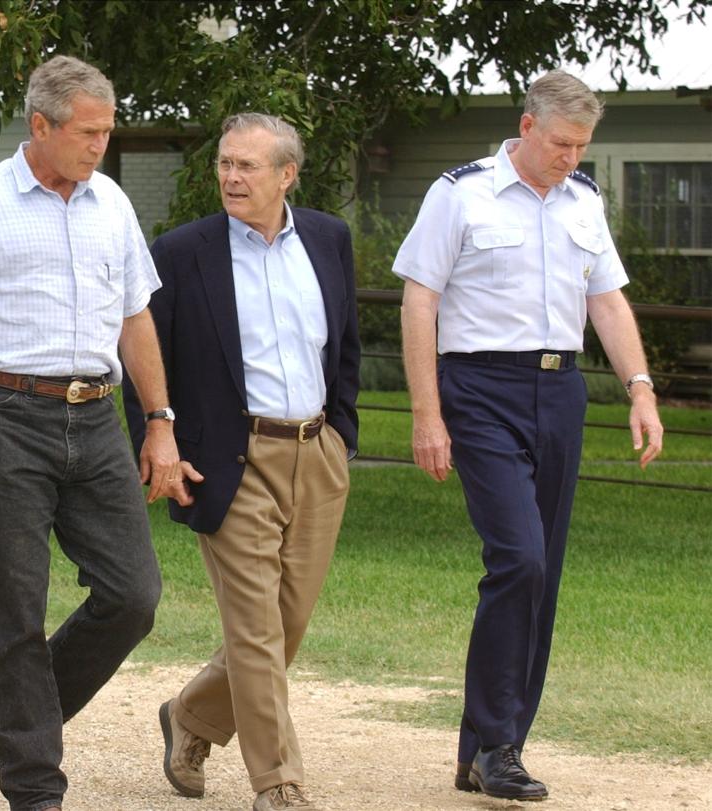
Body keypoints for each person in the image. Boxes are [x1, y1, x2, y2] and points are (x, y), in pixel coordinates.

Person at [0, 55, 183, 811]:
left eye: (106, 132)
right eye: (87, 133)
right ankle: (35, 786)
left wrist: (160, 424)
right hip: (2, 416)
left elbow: (135, 316)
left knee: (134, 595)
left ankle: (26, 715)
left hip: (97, 418)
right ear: (41, 125)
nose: (99, 146)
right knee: (14, 608)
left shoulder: (111, 204)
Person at [392, 69, 663, 801]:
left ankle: (484, 747)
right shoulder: (461, 192)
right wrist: (427, 412)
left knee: (543, 573)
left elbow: (606, 301)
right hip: (479, 387)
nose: (570, 157)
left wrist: (639, 388)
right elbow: (421, 301)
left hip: (560, 390)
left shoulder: (582, 202)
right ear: (527, 126)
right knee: (519, 557)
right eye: (561, 143)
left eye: (582, 146)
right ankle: (497, 742)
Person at [125, 113, 360, 811]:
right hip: (229, 458)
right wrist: (157, 441)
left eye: (247, 166)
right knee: (255, 629)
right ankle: (278, 781)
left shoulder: (329, 238)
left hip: (316, 453)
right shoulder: (181, 251)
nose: (231, 177)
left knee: (285, 628)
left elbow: (344, 345)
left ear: (287, 174)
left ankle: (191, 715)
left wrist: (341, 433)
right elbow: (143, 354)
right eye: (225, 163)